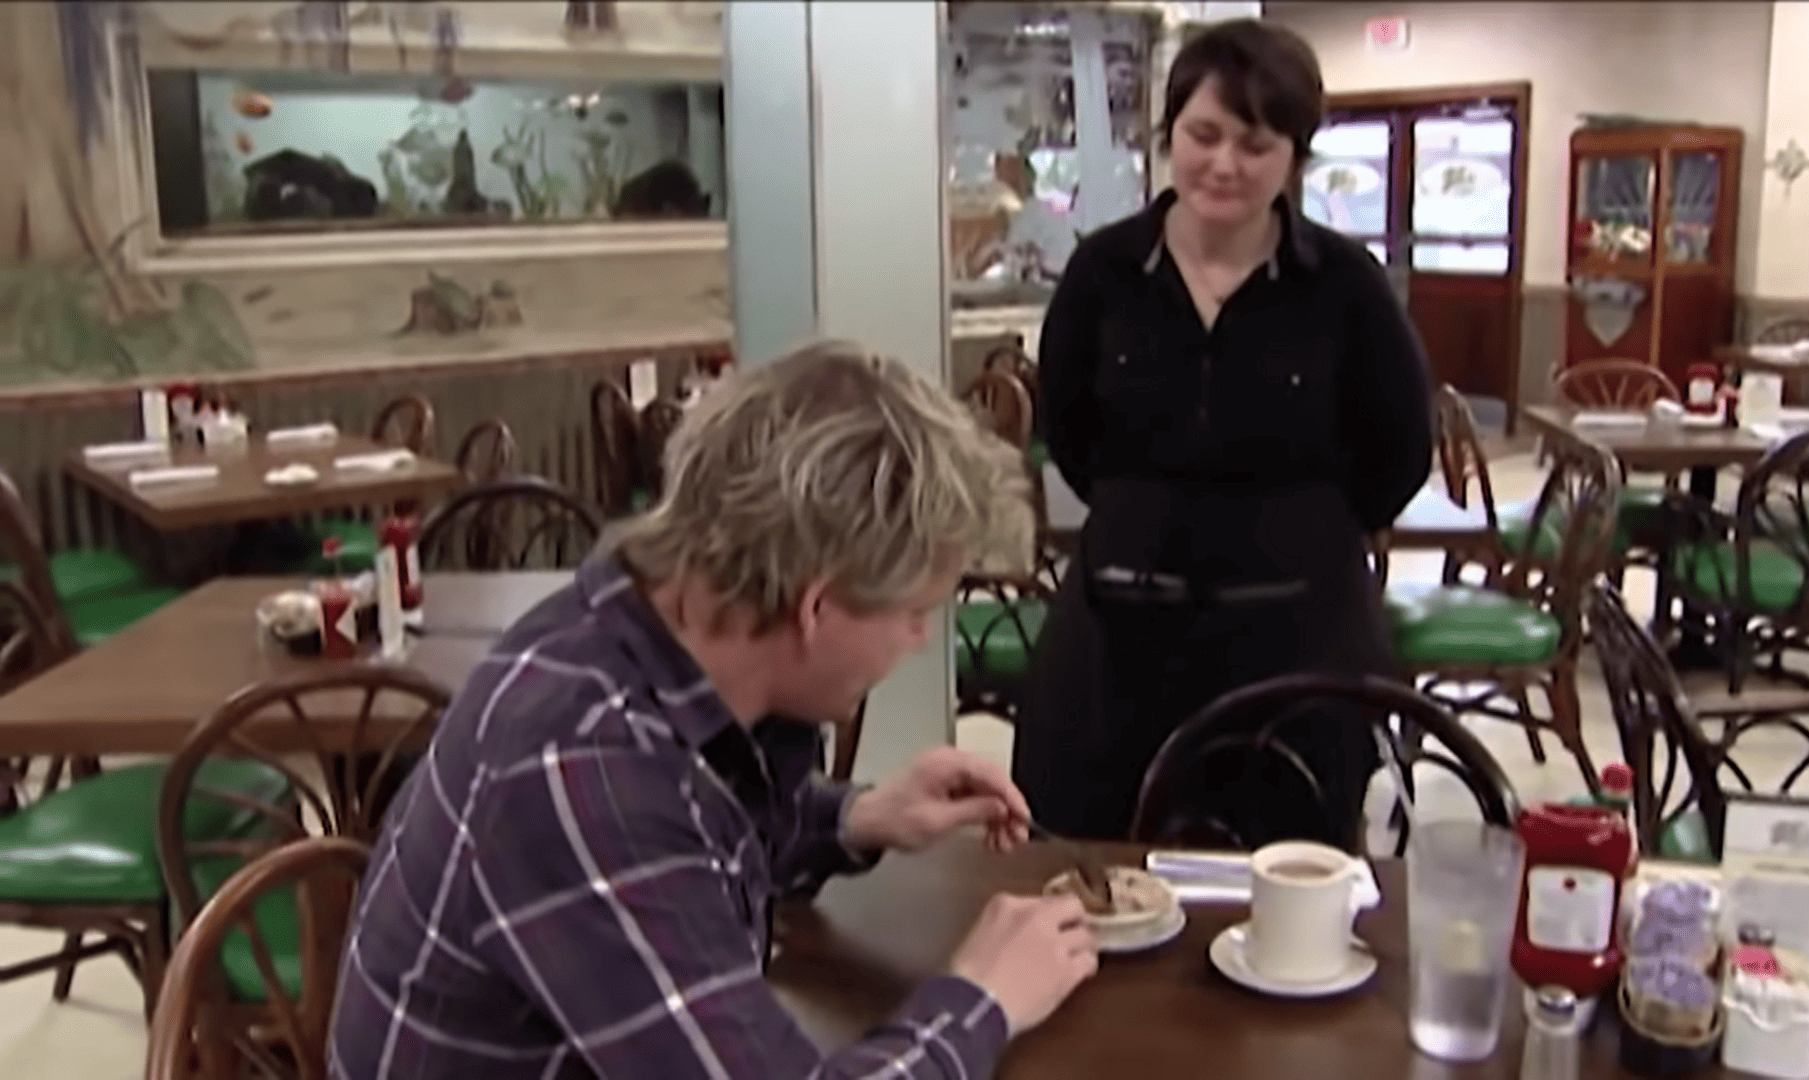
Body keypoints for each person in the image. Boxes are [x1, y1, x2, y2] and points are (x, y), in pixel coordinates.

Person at [330, 342, 1098, 1079]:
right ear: (816, 605)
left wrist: (855, 818)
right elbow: (637, 834)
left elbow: (685, 848)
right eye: (913, 612)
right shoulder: (581, 761)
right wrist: (984, 996)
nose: (921, 639)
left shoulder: (626, 633)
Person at [1012, 19, 1432, 849]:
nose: (1225, 164)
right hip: (1118, 636)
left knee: (1295, 881)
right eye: (1204, 135)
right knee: (1096, 866)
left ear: (1295, 158)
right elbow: (1074, 436)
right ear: (1169, 137)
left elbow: (1399, 452)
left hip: (1300, 637)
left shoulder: (1346, 287)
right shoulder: (1103, 274)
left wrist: (1289, 528)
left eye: (1256, 142)